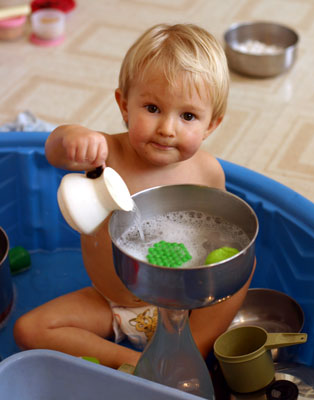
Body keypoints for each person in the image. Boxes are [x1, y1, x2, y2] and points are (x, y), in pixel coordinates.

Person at [14, 23, 255, 369]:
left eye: (187, 116)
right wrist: (72, 138)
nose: (167, 129)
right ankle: (135, 365)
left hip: (185, 306)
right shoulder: (104, 152)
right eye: (153, 108)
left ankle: (191, 354)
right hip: (111, 304)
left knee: (244, 268)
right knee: (30, 329)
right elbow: (54, 151)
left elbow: (215, 243)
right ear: (124, 105)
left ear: (211, 125)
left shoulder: (207, 172)